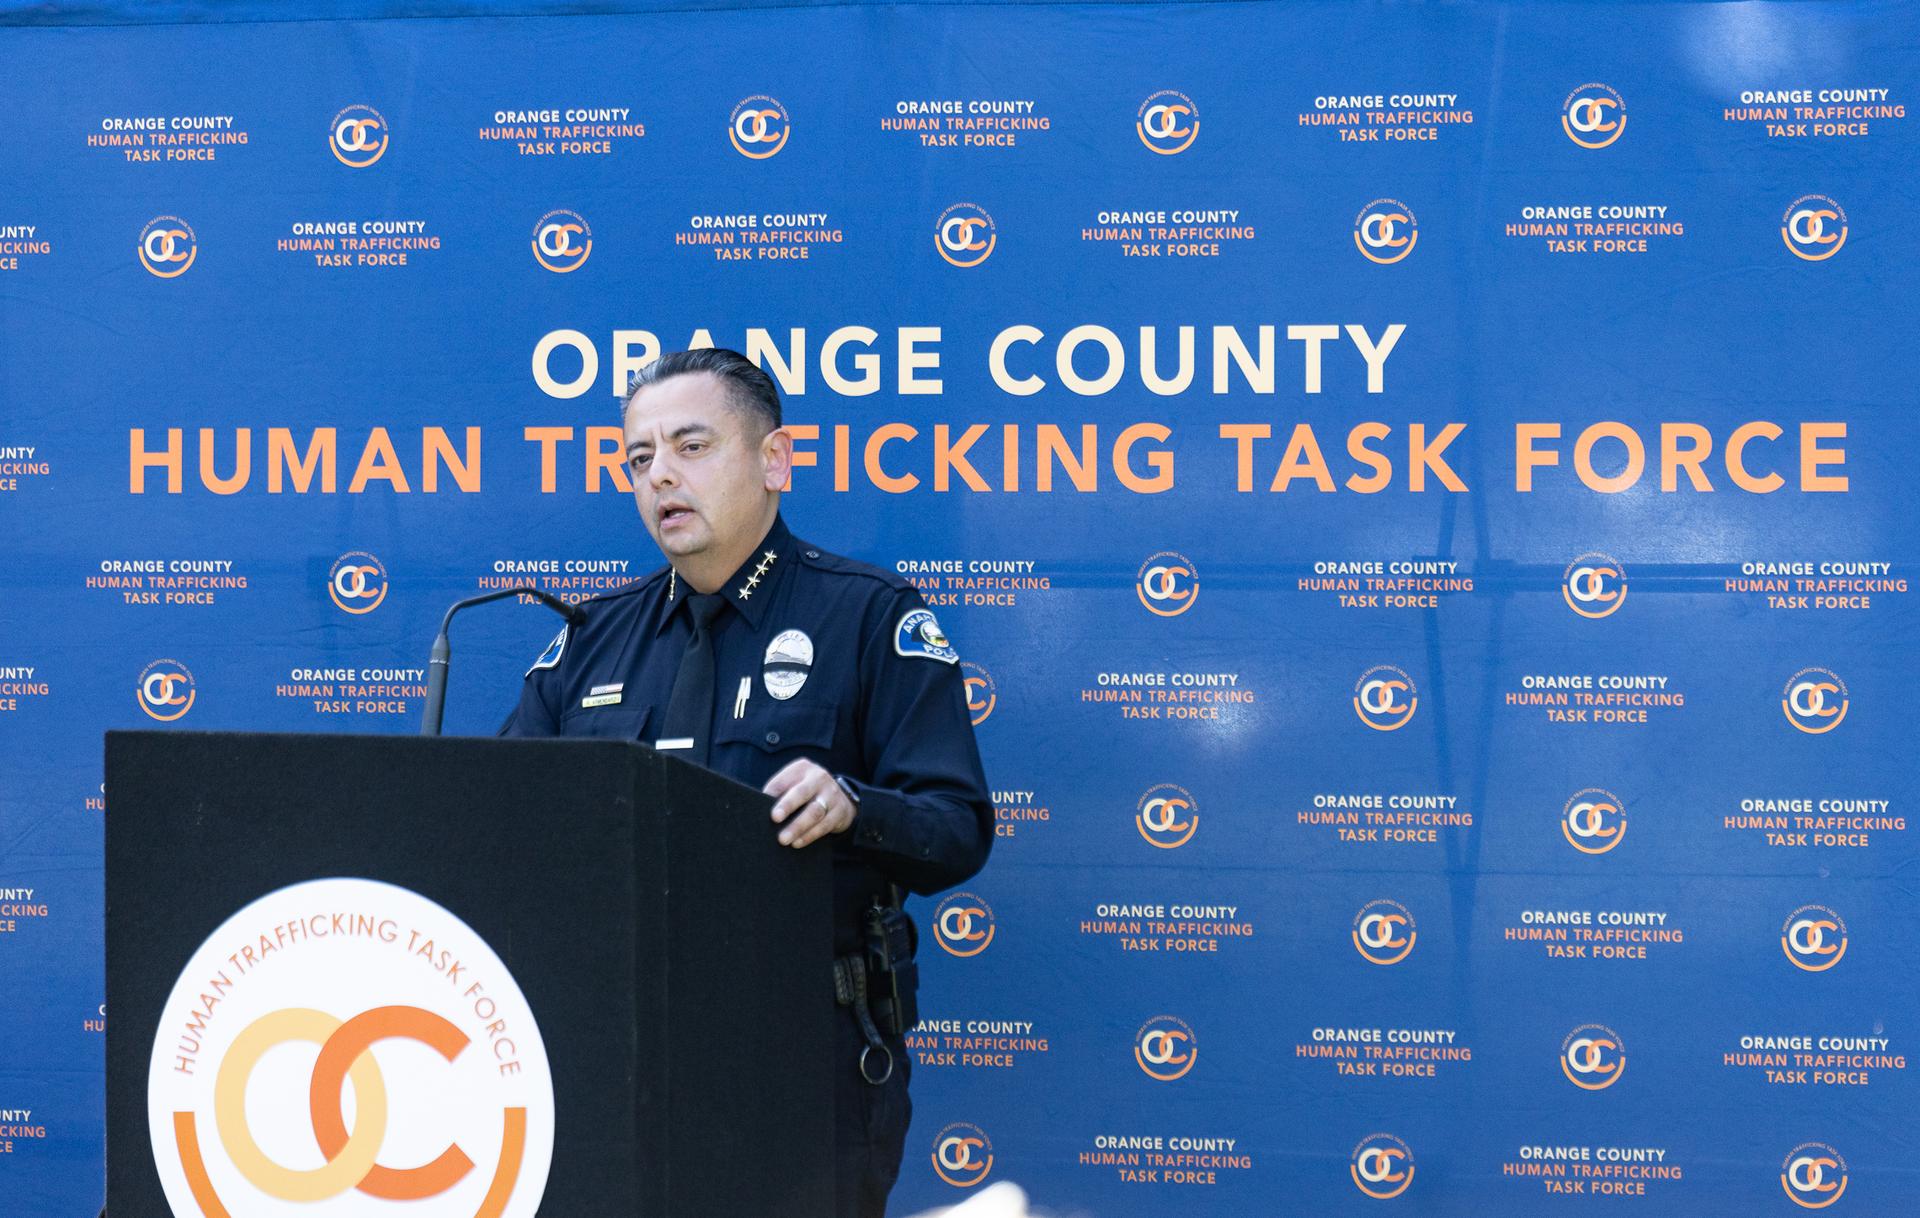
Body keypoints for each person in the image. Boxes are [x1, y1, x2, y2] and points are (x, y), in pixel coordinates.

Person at [500, 347, 993, 1217]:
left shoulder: (870, 615)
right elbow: (496, 814)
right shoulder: (592, 640)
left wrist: (854, 809)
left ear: (775, 461)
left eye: (691, 447)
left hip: (801, 1060)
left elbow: (956, 827)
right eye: (639, 459)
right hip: (611, 1057)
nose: (661, 478)